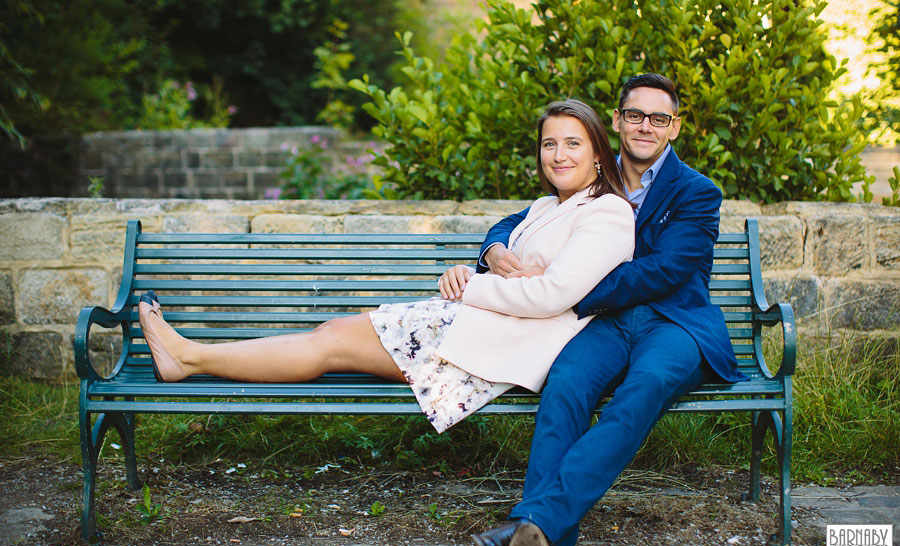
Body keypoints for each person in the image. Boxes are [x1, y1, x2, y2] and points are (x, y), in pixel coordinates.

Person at [138, 99, 635, 435]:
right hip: (475, 325)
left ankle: (189, 358)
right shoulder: (546, 207)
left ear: (597, 153)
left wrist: (470, 292)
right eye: (549, 143)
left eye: (573, 143)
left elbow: (552, 296)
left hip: (496, 349)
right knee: (331, 334)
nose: (558, 154)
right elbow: (516, 272)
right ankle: (190, 358)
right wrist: (473, 270)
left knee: (329, 344)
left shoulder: (608, 212)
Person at [469, 74, 747, 546]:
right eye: (634, 115)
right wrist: (494, 250)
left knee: (639, 395)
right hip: (605, 325)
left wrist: (564, 284)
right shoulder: (594, 174)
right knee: (566, 386)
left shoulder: (697, 193)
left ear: (675, 128)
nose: (645, 126)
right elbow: (518, 218)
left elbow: (665, 271)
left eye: (658, 118)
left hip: (675, 324)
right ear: (616, 121)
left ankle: (530, 528)